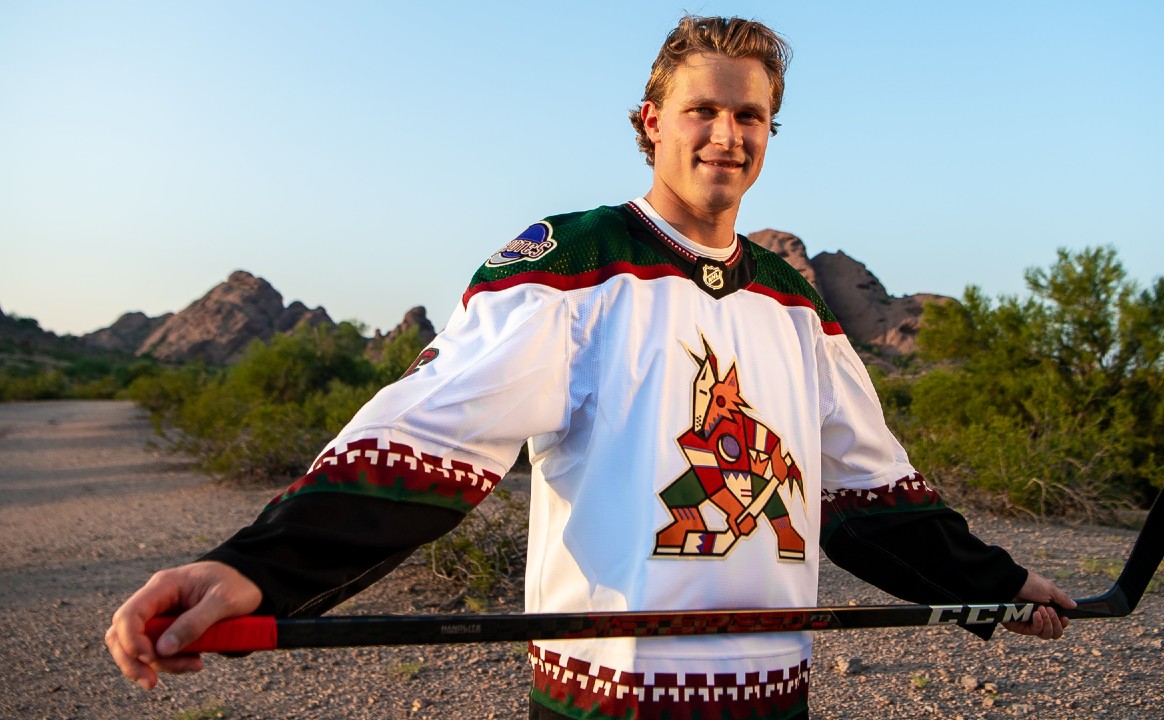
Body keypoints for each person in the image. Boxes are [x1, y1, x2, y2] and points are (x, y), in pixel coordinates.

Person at [106, 15, 1074, 720]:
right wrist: (253, 569)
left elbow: (864, 490)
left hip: (775, 688)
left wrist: (996, 583)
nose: (726, 135)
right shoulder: (571, 266)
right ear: (649, 120)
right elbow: (430, 436)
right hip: (607, 698)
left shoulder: (796, 304)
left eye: (750, 116)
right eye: (701, 110)